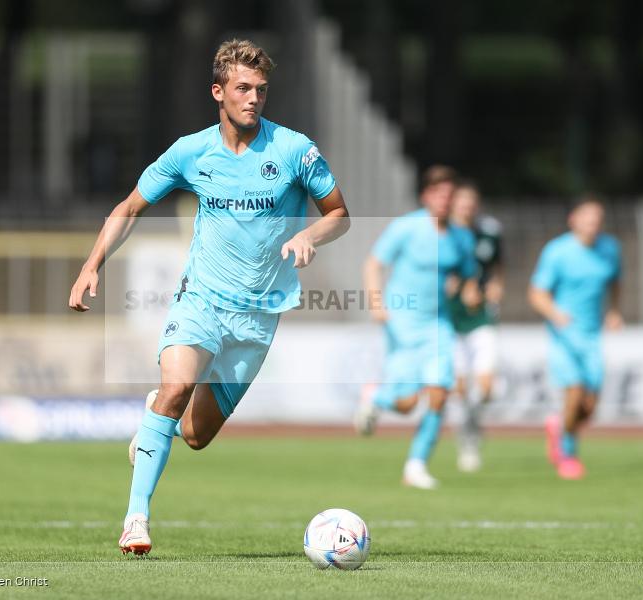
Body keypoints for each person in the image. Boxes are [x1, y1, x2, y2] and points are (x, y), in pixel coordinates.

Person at [68, 39, 350, 555]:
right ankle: (136, 518)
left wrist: (311, 235)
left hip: (260, 314)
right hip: (200, 297)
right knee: (177, 387)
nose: (253, 98)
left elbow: (339, 214)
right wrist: (91, 265)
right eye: (243, 88)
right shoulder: (190, 152)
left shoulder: (294, 150)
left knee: (195, 435)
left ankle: (157, 416)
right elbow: (129, 206)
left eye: (261, 90)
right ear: (218, 92)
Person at [354, 166, 478, 489]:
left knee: (439, 395)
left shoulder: (462, 237)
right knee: (407, 404)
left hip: (438, 324)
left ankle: (416, 465)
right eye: (438, 194)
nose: (444, 200)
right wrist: (376, 302)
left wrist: (469, 291)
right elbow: (373, 263)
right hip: (403, 322)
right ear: (426, 196)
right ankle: (376, 397)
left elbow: (467, 275)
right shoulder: (406, 228)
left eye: (449, 195)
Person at [528, 196, 622, 480]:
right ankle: (567, 455)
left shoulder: (610, 249)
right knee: (574, 392)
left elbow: (616, 281)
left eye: (597, 219)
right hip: (564, 334)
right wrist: (555, 314)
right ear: (574, 220)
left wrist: (614, 311)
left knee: (589, 406)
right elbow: (537, 293)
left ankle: (558, 428)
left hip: (592, 335)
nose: (593, 224)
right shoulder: (557, 252)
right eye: (587, 218)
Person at [448, 181, 504, 472]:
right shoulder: (441, 233)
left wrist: (495, 287)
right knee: (458, 387)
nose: (467, 206)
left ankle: (472, 432)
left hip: (481, 317)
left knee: (484, 387)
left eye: (471, 201)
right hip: (450, 319)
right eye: (462, 200)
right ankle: (466, 437)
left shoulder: (489, 232)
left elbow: (496, 267)